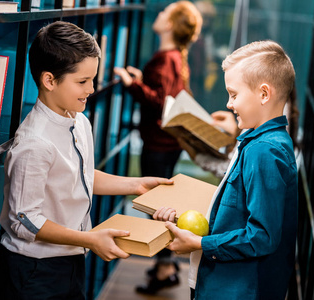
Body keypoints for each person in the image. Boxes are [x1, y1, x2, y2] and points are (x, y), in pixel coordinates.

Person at [0, 21, 174, 300]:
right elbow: (25, 220)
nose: (92, 89)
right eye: (82, 81)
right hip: (34, 269)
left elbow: (80, 176)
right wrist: (89, 240)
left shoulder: (80, 121)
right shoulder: (34, 144)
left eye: (93, 79)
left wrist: (136, 184)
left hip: (72, 259)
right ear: (49, 80)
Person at [155, 40, 298, 299]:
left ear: (264, 94)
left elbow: (262, 236)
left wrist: (199, 243)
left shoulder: (264, 151)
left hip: (237, 289)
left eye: (233, 94)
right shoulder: (255, 142)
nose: (229, 104)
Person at [113, 1, 203, 294]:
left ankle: (165, 267)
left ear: (170, 25)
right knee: (162, 205)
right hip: (169, 143)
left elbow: (160, 102)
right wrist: (142, 79)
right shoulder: (175, 57)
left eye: (165, 13)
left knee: (157, 208)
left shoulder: (166, 57)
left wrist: (131, 84)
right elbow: (167, 93)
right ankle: (166, 264)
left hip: (158, 143)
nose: (160, 13)